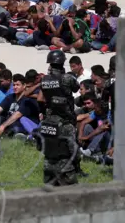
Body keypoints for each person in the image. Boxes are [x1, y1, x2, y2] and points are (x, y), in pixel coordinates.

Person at [36, 50, 80, 186]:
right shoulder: (66, 78)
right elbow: (76, 87)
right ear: (62, 63)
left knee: (51, 145)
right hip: (66, 117)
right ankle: (72, 169)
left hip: (50, 117)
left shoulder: (44, 80)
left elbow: (41, 99)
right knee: (69, 146)